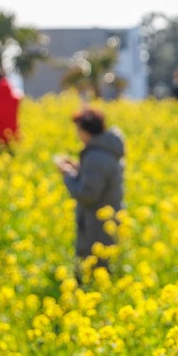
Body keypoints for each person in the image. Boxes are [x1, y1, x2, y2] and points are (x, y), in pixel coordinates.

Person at [55, 108, 125, 274]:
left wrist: (67, 174)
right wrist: (77, 169)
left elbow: (87, 195)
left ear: (86, 131)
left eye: (78, 130)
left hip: (96, 227)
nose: (78, 135)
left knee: (94, 271)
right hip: (103, 223)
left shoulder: (96, 157)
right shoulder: (104, 151)